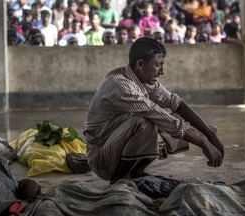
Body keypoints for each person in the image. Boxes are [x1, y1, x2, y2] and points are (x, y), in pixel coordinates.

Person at [83, 37, 224, 185]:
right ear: (140, 64)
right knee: (145, 122)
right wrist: (203, 143)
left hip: (114, 146)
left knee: (177, 121)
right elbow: (155, 113)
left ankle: (136, 172)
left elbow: (175, 103)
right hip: (101, 158)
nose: (161, 71)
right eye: (158, 65)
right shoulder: (120, 85)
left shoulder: (141, 79)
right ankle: (119, 178)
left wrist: (210, 137)